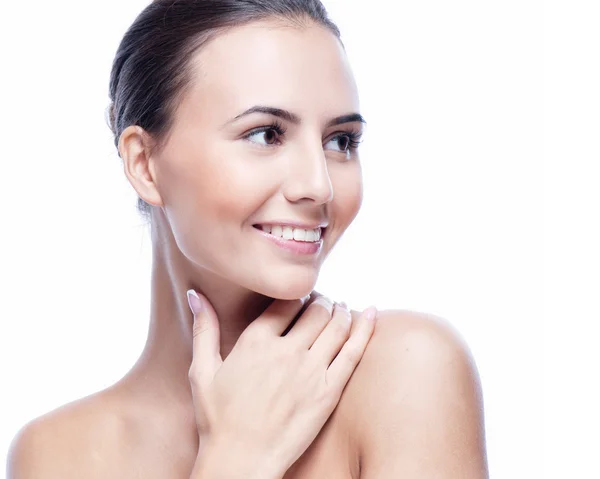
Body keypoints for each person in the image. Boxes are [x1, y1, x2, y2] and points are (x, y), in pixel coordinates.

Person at [6, 0, 488, 478]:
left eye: (340, 141)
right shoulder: (55, 454)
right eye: (265, 135)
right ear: (143, 164)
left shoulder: (407, 371)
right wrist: (235, 461)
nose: (318, 185)